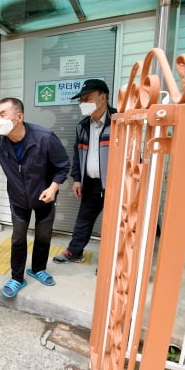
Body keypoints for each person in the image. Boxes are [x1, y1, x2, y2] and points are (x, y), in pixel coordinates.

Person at [0, 97, 70, 298]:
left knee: (43, 235)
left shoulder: (44, 137)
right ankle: (17, 278)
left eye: (2, 114)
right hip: (18, 199)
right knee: (18, 238)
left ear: (19, 117)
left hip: (44, 196)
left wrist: (53, 188)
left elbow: (63, 166)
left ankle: (38, 269)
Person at [53, 79, 116, 264]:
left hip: (116, 182)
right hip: (91, 182)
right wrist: (77, 179)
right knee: (84, 219)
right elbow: (77, 153)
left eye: (87, 98)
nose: (83, 103)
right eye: (81, 100)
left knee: (115, 223)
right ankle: (75, 252)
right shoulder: (82, 126)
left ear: (103, 97)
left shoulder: (120, 121)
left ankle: (111, 262)